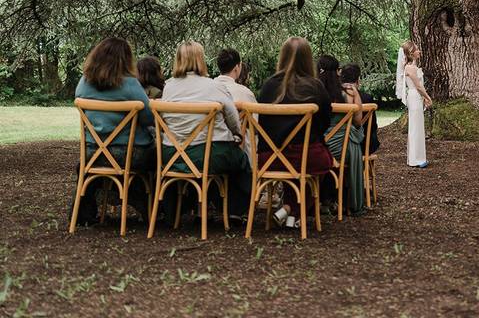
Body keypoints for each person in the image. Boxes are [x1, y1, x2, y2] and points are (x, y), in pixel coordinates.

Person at [160, 41, 251, 220]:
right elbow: (232, 115)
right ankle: (234, 210)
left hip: (171, 155)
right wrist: (237, 134)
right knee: (240, 160)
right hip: (208, 155)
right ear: (201, 60)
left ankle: (174, 210)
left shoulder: (168, 87)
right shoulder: (213, 86)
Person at [74, 37, 155, 224]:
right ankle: (156, 209)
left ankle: (84, 214)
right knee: (160, 155)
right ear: (125, 60)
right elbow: (149, 118)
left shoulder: (84, 83)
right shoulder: (130, 85)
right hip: (129, 154)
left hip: (92, 153)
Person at [258, 37, 333, 229]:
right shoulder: (316, 87)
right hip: (305, 156)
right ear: (308, 59)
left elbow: (263, 124)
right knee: (322, 160)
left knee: (303, 160)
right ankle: (290, 209)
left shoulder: (268, 86)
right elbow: (325, 122)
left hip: (269, 158)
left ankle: (289, 213)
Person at [318, 54, 366, 215]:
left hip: (317, 147)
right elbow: (358, 121)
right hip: (341, 149)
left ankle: (321, 200)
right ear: (337, 72)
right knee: (353, 137)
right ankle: (347, 201)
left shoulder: (314, 92)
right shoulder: (350, 92)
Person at [397, 42, 431, 167]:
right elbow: (418, 86)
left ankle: (419, 157)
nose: (419, 51)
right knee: (415, 128)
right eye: (417, 50)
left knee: (418, 127)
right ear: (411, 53)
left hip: (417, 97)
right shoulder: (410, 68)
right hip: (414, 96)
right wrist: (427, 97)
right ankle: (415, 159)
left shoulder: (413, 67)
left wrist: (423, 97)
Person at [342, 63, 379, 154]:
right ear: (358, 80)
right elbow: (373, 126)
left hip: (340, 144)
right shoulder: (367, 98)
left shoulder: (335, 97)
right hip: (363, 145)